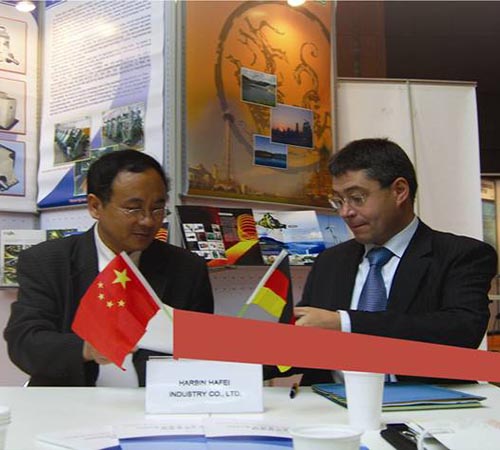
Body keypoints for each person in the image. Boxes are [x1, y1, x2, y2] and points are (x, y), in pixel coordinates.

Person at [274, 138, 497, 385]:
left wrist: (345, 323)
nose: (345, 212)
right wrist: (246, 352)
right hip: (330, 402)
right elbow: (304, 347)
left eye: (357, 197)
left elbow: (462, 331)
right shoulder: (330, 260)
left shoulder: (461, 255)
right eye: (338, 201)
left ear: (399, 191)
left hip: (422, 403)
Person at [4, 149, 214, 387]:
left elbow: (201, 350)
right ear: (95, 206)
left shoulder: (186, 268)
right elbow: (25, 341)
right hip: (71, 399)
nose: (148, 220)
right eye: (133, 208)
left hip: (153, 400)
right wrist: (87, 349)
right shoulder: (47, 261)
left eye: (157, 208)